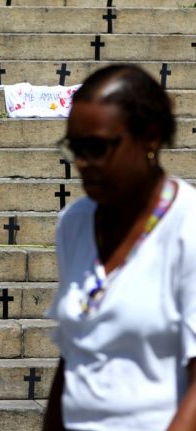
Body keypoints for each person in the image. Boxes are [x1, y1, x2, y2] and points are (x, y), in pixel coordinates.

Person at [43, 64, 196, 431]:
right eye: (75, 148)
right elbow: (74, 355)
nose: (82, 163)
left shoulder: (187, 227)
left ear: (150, 138)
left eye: (96, 147)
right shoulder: (74, 224)